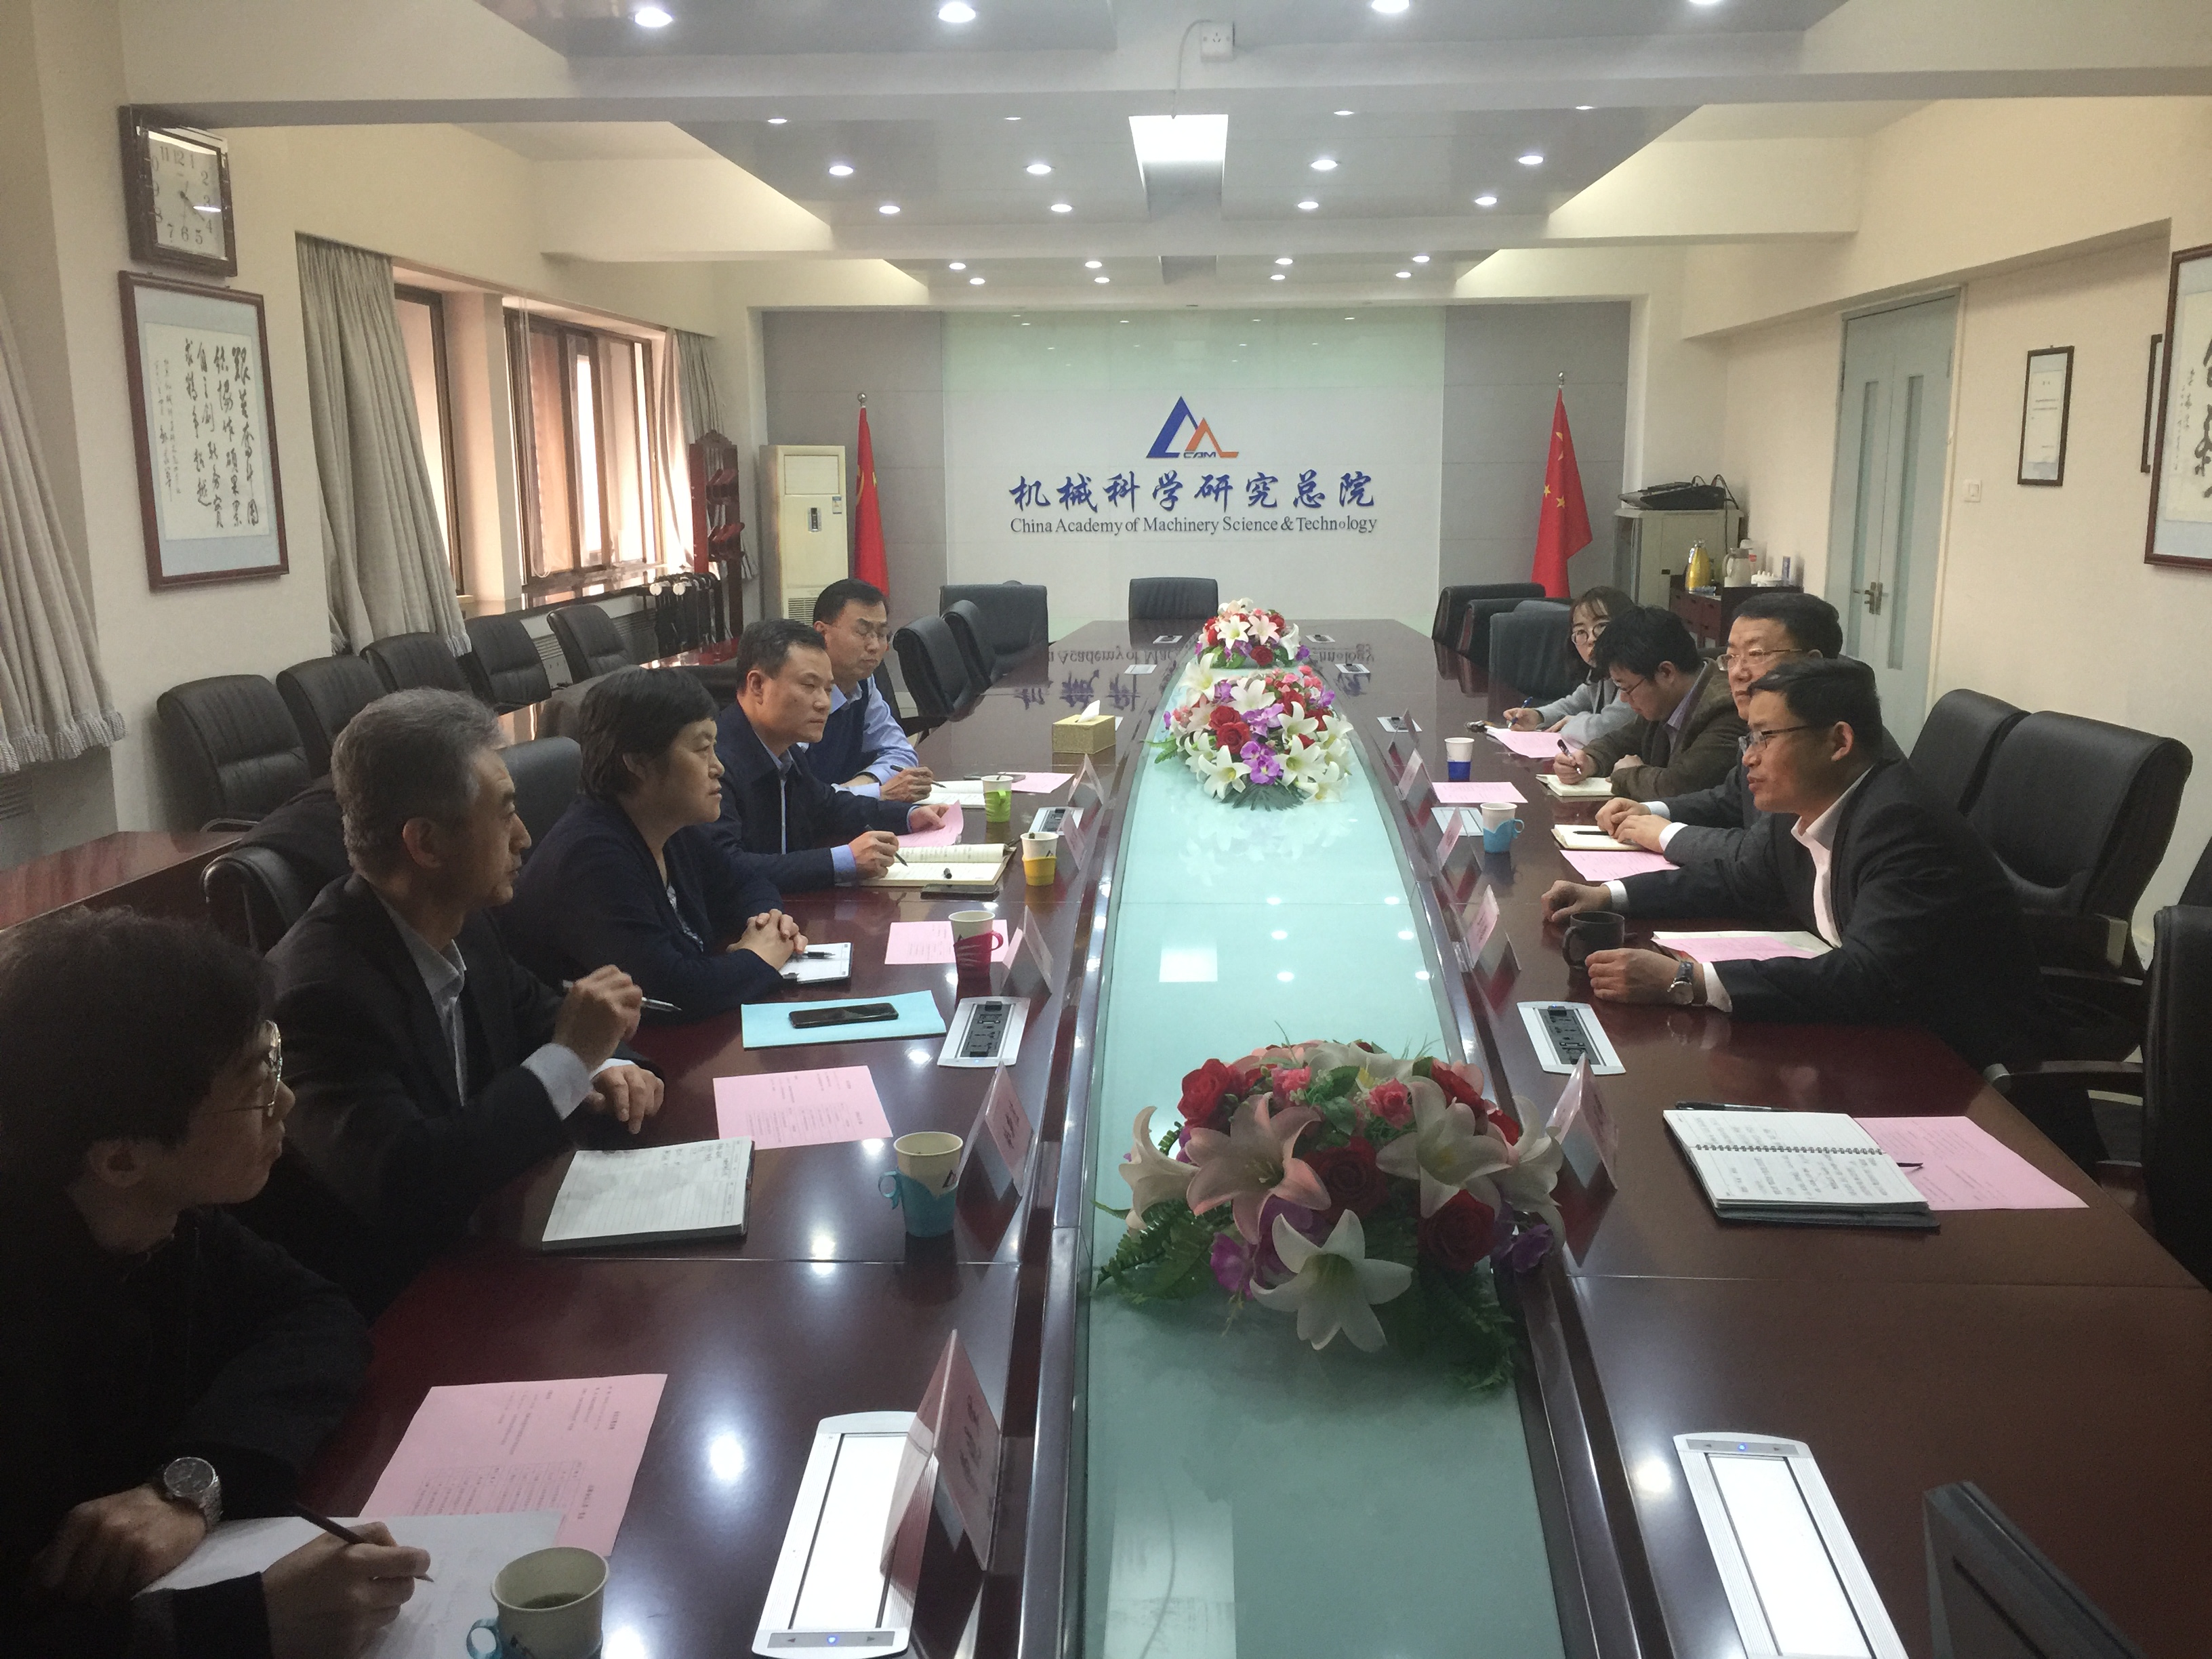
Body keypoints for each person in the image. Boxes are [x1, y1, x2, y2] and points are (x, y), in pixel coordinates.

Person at [1, 909, 429, 1659]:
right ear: (122, 1159)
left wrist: (189, 1487)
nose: (286, 1102)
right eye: (258, 1083)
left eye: (272, 1059)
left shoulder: (163, 1219)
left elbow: (316, 1314)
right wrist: (245, 1626)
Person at [257, 691, 663, 1312]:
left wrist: (609, 1066)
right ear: (425, 843)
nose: (525, 837)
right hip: (399, 1307)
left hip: (492, 1250)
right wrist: (569, 1061)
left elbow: (542, 1018)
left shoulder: (465, 925)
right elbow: (409, 1183)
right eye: (505, 814)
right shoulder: (321, 994)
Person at [1540, 662, 2066, 1124]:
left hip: (1965, 1078)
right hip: (1872, 1039)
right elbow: (1737, 881)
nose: (1748, 759)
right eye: (1749, 738)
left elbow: (1867, 977)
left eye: (1766, 738)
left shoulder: (1901, 824)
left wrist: (1685, 981)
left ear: (1839, 742)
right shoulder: (1807, 806)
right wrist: (1608, 897)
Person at [504, 669, 808, 1023]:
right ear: (638, 763)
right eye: (702, 750)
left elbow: (747, 883)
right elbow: (673, 991)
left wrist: (767, 924)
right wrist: (759, 958)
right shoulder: (592, 859)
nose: (718, 767)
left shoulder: (668, 825)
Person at [1592, 592, 1845, 867]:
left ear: (1811, 662)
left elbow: (1763, 854)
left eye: (1756, 654)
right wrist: (1647, 810)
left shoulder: (1819, 740)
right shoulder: (1759, 723)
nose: (1737, 672)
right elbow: (1728, 800)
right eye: (1732, 657)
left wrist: (1665, 834)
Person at [712, 617, 947, 891]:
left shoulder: (786, 751)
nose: (824, 703)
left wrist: (908, 816)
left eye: (827, 689)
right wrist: (844, 861)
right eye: (809, 686)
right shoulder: (714, 763)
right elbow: (727, 868)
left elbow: (828, 807)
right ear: (757, 685)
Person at [1554, 605, 1746, 798]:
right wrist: (1589, 760)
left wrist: (1628, 774)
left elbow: (1679, 786)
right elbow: (1619, 741)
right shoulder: (1666, 701)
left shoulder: (1727, 710)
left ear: (1666, 672)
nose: (1623, 698)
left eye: (1626, 688)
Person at [803, 578, 933, 802]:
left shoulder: (863, 683)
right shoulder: (798, 694)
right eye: (863, 632)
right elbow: (796, 798)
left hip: (841, 813)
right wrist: (879, 793)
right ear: (822, 633)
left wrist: (864, 785)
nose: (874, 646)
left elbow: (901, 753)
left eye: (882, 634)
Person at [1501, 585, 1638, 746]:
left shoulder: (1637, 675)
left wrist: (1573, 722)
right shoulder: (1599, 672)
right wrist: (1538, 716)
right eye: (1581, 632)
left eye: (1601, 626)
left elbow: (1603, 730)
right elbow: (1573, 704)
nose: (1591, 639)